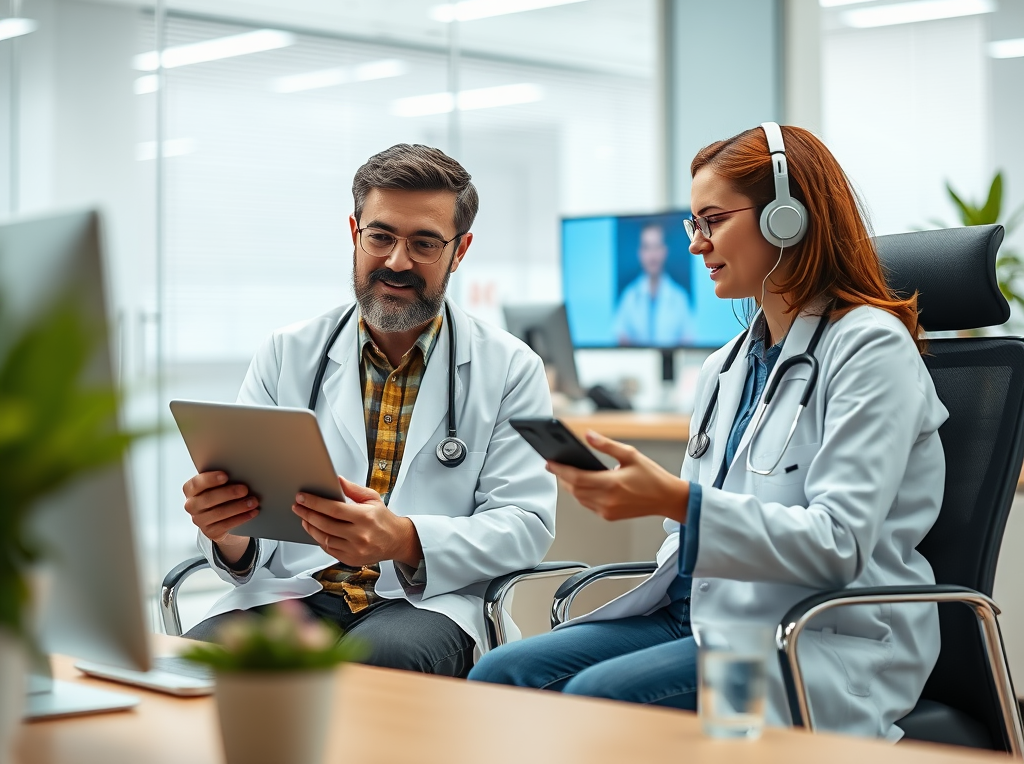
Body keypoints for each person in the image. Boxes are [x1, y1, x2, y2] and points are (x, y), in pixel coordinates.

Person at [469, 123, 946, 740]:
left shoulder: (869, 348)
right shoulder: (725, 366)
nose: (696, 245)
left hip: (808, 643)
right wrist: (655, 504)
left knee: (599, 701)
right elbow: (695, 531)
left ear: (785, 218)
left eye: (712, 220)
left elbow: (837, 544)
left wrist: (673, 498)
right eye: (694, 225)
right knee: (500, 672)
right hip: (700, 618)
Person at [180, 144, 557, 677]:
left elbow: (527, 523)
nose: (397, 262)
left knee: (377, 664)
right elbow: (250, 535)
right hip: (292, 594)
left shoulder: (511, 368)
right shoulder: (287, 353)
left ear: (460, 250)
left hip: (424, 602)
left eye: (424, 243)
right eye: (380, 236)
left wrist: (402, 538)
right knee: (197, 664)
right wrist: (227, 529)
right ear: (355, 233)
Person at [612, 222, 694, 346]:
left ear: (665, 251)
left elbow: (689, 339)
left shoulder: (680, 298)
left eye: (657, 247)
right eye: (647, 247)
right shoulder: (629, 297)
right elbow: (619, 336)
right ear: (640, 253)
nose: (652, 255)